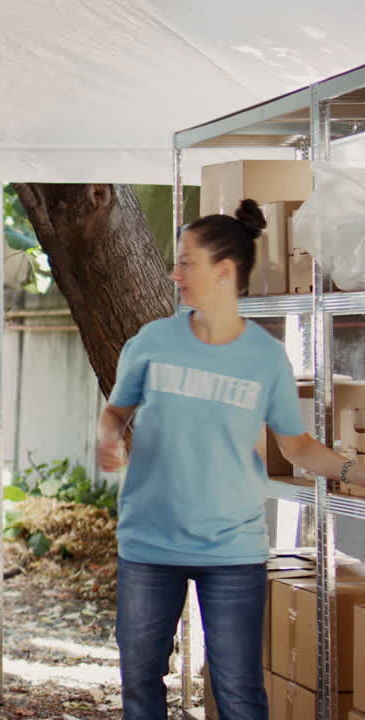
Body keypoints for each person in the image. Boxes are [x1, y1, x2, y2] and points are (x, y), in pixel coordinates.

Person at [97, 199, 365, 720]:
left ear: (224, 272)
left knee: (240, 693)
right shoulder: (152, 342)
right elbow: (115, 413)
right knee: (140, 687)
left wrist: (355, 470)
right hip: (150, 543)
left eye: (186, 262)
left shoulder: (265, 358)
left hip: (232, 549)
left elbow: (297, 446)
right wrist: (108, 437)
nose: (174, 274)